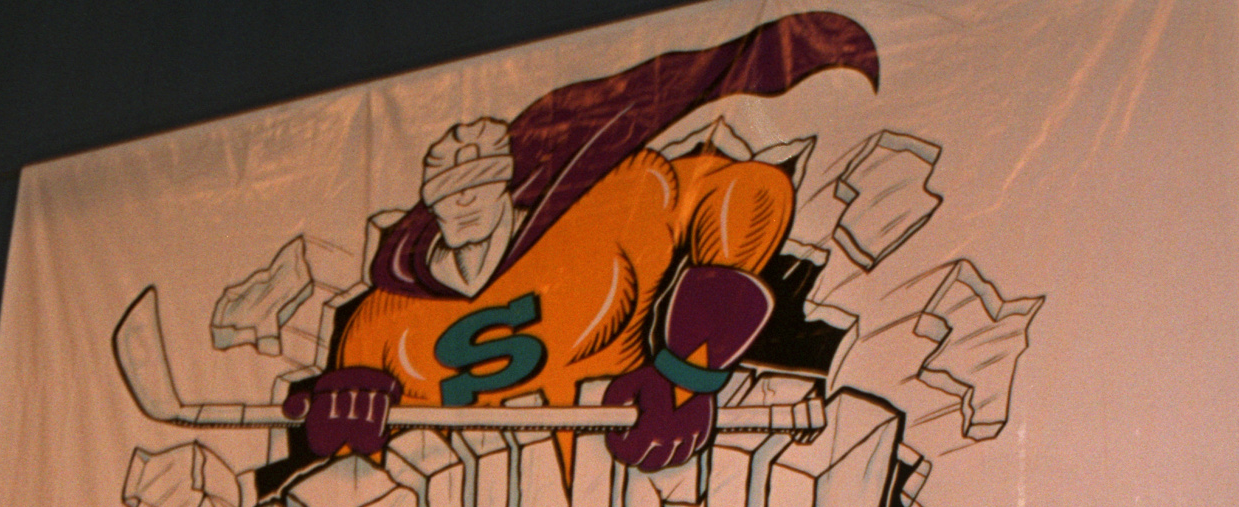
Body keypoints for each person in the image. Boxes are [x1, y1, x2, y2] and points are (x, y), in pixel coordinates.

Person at [286, 14, 878, 474]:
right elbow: (353, 464)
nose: (461, 205)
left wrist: (685, 368)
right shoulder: (380, 322)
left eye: (476, 186)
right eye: (446, 191)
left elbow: (749, 191)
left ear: (510, 184)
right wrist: (343, 422)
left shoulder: (613, 208)